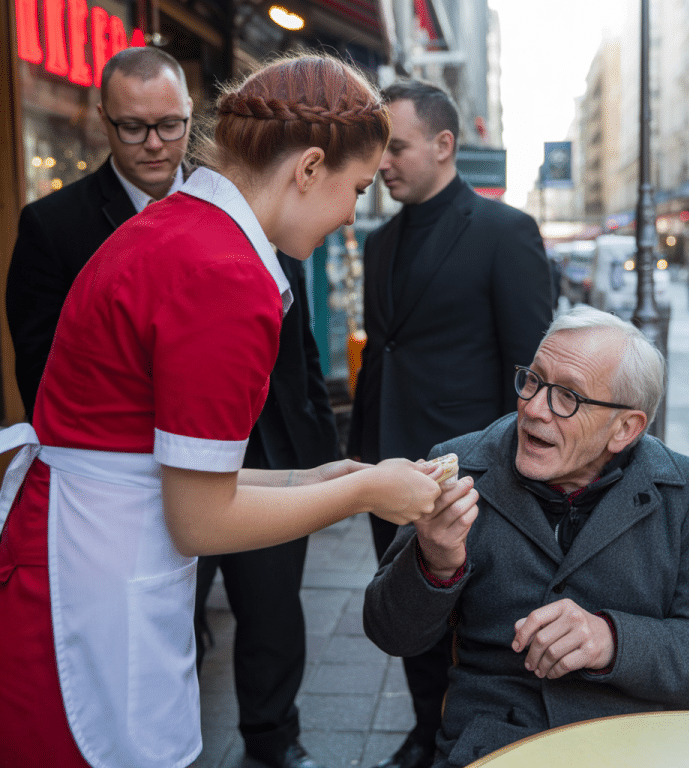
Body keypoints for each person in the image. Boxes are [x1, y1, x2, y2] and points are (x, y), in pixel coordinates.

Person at [0, 54, 456, 768]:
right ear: (308, 168)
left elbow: (184, 476)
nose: (349, 217)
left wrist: (323, 476)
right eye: (356, 190)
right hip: (98, 570)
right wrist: (363, 492)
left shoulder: (182, 229)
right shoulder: (224, 271)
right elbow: (200, 517)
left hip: (79, 539)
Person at [363, 306, 689, 768]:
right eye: (533, 380)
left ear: (625, 428)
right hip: (501, 743)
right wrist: (434, 562)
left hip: (643, 741)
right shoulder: (458, 468)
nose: (533, 409)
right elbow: (389, 632)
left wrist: (611, 639)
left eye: (567, 397)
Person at [347, 79, 553, 768]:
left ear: (444, 144)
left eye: (396, 147)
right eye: (379, 149)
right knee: (402, 609)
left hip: (467, 473)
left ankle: (460, 735)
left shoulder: (506, 231)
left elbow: (531, 367)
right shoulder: (378, 242)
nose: (382, 164)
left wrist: (517, 476)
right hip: (385, 463)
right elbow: (385, 351)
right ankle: (421, 727)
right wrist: (362, 456)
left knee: (473, 619)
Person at [194, 250, 339, 768]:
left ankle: (273, 738)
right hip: (178, 459)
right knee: (175, 612)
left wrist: (324, 459)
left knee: (273, 609)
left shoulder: (283, 247)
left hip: (275, 448)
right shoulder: (163, 242)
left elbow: (304, 360)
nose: (347, 214)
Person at [6, 46, 193, 420]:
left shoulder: (230, 201)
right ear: (103, 119)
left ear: (190, 109)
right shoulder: (51, 226)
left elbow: (294, 356)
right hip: (110, 463)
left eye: (170, 125)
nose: (154, 144)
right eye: (133, 128)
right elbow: (43, 381)